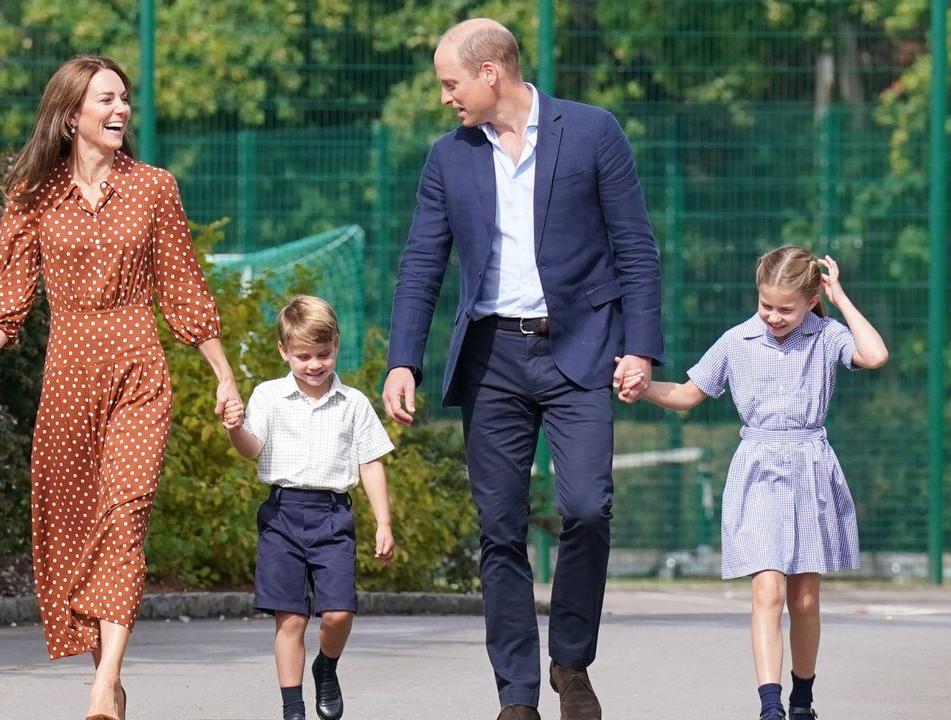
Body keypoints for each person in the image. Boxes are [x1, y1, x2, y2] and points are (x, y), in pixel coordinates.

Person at [380, 17, 663, 720]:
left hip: (582, 348)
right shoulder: (450, 157)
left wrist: (640, 348)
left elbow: (636, 248)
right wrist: (403, 359)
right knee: (500, 530)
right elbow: (423, 261)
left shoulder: (593, 131)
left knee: (588, 509)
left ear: (490, 74)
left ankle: (571, 660)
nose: (445, 97)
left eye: (450, 83)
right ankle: (516, 695)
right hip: (493, 360)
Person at [0, 55, 241, 720]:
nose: (120, 112)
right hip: (68, 379)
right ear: (69, 115)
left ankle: (101, 688)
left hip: (139, 371)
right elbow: (7, 303)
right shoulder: (32, 197)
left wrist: (225, 376)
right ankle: (108, 680)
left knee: (126, 520)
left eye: (124, 100)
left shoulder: (154, 188)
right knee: (79, 531)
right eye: (106, 100)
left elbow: (184, 289)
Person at [619, 247, 887, 720]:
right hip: (758, 471)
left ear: (809, 301)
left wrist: (840, 298)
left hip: (810, 468)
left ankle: (802, 701)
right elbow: (686, 393)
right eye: (767, 305)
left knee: (804, 598)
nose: (773, 316)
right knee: (768, 590)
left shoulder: (827, 336)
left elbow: (875, 354)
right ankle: (770, 707)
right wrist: (644, 389)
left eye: (786, 308)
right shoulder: (736, 340)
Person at [222, 295, 396, 720]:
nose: (314, 364)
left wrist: (383, 523)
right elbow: (251, 449)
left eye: (323, 353)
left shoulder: (353, 402)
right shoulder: (268, 396)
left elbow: (370, 463)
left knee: (338, 613)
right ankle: (293, 708)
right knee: (292, 618)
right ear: (284, 351)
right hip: (282, 516)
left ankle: (327, 666)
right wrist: (234, 430)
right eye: (303, 356)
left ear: (336, 344)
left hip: (333, 516)